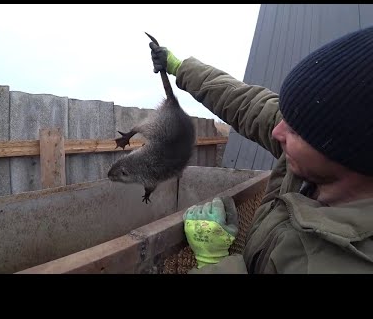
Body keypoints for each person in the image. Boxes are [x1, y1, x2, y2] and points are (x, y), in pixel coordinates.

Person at [149, 26, 373, 274]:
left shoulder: (334, 265)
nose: (277, 132)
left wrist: (214, 264)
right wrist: (180, 68)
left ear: (344, 151)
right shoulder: (322, 154)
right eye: (286, 114)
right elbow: (248, 104)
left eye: (296, 130)